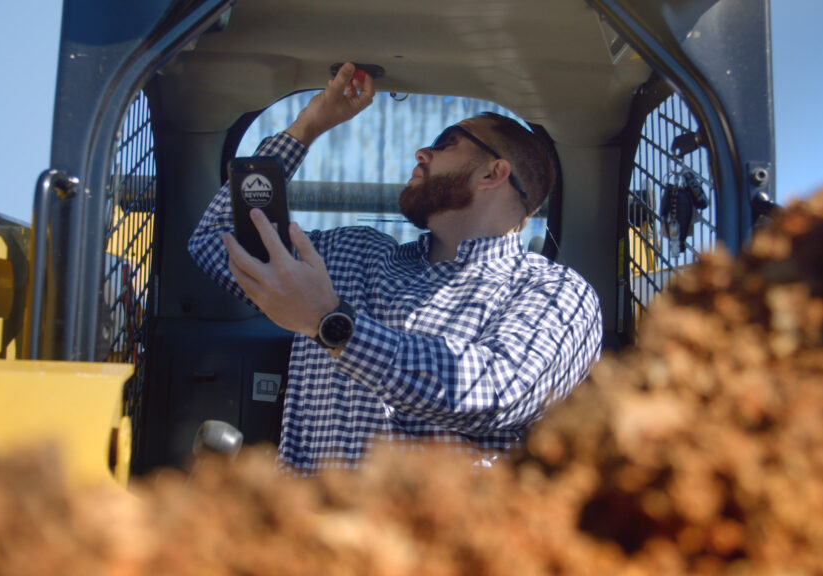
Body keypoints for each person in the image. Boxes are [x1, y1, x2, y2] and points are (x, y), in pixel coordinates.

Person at [189, 62, 602, 474]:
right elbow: (216, 238)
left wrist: (332, 323)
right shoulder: (348, 253)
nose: (422, 153)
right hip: (304, 530)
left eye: (446, 142)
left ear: (494, 173)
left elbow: (498, 392)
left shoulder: (555, 291)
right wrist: (306, 129)